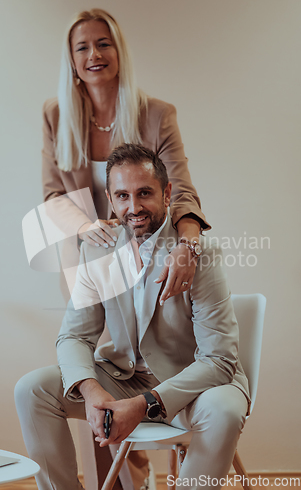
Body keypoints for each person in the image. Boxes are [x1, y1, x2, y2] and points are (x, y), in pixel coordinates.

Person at [15, 144, 250, 490]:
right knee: (32, 389)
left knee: (225, 410)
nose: (134, 207)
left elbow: (219, 359)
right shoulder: (96, 249)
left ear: (167, 193)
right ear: (110, 199)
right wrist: (93, 392)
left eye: (144, 193)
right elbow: (74, 337)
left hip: (194, 385)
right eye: (122, 195)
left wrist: (143, 405)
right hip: (123, 377)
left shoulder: (198, 252)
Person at [42, 7, 211, 303]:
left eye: (103, 44)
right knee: (84, 346)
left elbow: (181, 191)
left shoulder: (157, 115)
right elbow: (53, 196)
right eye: (82, 47)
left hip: (147, 262)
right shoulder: (55, 115)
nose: (94, 54)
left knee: (145, 349)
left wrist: (189, 244)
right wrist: (84, 228)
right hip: (84, 267)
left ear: (119, 52)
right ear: (72, 61)